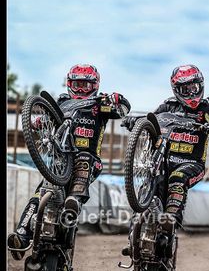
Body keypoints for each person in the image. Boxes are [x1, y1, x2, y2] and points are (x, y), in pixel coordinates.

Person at [8, 63, 131, 260]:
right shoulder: (62, 102)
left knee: (83, 164)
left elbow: (123, 110)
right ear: (69, 83)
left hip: (89, 158)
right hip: (60, 161)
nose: (81, 89)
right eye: (77, 84)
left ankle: (73, 200)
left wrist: (118, 99)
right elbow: (44, 118)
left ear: (95, 85)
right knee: (40, 194)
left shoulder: (100, 103)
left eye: (86, 85)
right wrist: (37, 122)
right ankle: (21, 235)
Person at [121, 64, 209, 256]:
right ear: (176, 90)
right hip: (164, 163)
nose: (190, 92)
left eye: (194, 87)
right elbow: (151, 120)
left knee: (178, 178)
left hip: (191, 165)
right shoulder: (168, 105)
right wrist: (135, 120)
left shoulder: (206, 107)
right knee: (149, 185)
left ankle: (170, 221)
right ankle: (134, 236)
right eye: (185, 89)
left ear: (200, 85)